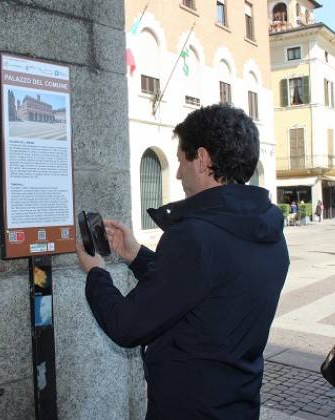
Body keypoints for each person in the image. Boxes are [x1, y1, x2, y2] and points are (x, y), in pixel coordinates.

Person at [75, 104, 289, 419]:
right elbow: (205, 289)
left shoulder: (195, 235)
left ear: (202, 159)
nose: (176, 173)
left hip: (188, 408)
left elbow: (127, 325)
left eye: (180, 160)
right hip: (238, 404)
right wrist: (135, 254)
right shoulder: (268, 229)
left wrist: (96, 273)